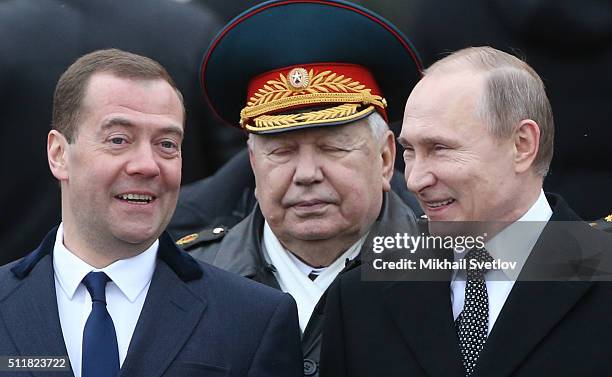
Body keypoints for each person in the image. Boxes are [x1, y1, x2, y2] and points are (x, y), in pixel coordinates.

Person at [0, 49, 302, 377]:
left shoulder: (253, 317)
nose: (147, 165)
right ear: (59, 154)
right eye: (118, 140)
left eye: (167, 144)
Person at [320, 46, 612, 377]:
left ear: (522, 145)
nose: (414, 179)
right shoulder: (360, 296)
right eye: (410, 151)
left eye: (439, 149)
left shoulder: (601, 273)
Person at [173, 1, 422, 376]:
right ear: (254, 164)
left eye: (332, 148)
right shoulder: (189, 278)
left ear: (386, 158)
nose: (306, 174)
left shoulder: (455, 268)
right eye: (282, 151)